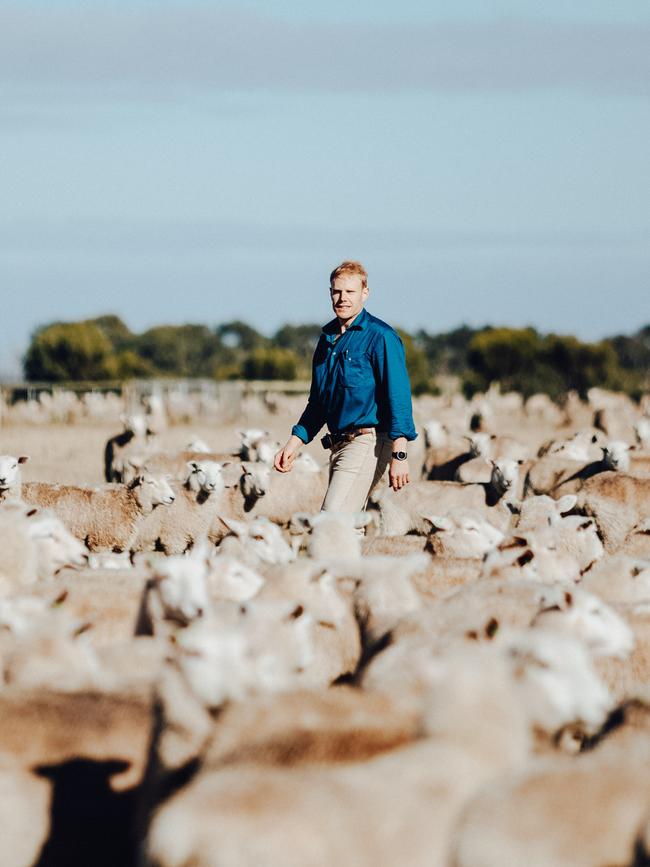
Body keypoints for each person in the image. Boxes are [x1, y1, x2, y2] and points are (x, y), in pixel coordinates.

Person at [274, 260, 417, 513]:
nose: (342, 298)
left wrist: (400, 456)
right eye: (336, 291)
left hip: (367, 442)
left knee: (331, 520)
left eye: (350, 292)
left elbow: (399, 398)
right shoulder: (326, 339)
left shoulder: (381, 336)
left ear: (365, 293)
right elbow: (318, 403)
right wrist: (293, 444)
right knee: (349, 527)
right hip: (338, 444)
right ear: (330, 292)